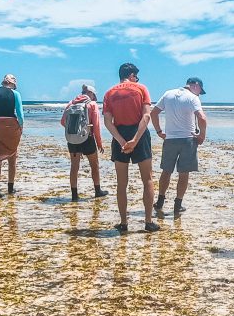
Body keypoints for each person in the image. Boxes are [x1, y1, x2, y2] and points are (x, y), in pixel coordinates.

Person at [102, 62, 160, 233]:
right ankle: (148, 222)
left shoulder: (109, 92)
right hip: (139, 133)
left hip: (120, 133)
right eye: (136, 76)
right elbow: (147, 116)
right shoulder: (141, 88)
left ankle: (123, 223)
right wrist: (135, 140)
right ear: (132, 75)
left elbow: (107, 121)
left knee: (122, 183)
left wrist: (121, 141)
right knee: (147, 179)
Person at [151, 77, 208, 217]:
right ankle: (178, 204)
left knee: (166, 171)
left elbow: (153, 113)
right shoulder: (193, 98)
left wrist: (159, 131)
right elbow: (202, 118)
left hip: (170, 139)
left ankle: (160, 201)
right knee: (184, 173)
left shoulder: (168, 94)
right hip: (188, 139)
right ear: (195, 85)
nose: (199, 93)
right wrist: (202, 136)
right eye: (200, 90)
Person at [60, 84, 108, 201]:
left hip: (72, 139)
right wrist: (99, 143)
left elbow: (62, 122)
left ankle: (74, 195)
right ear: (91, 93)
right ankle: (97, 191)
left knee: (74, 166)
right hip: (87, 138)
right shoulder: (92, 104)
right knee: (94, 165)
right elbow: (96, 126)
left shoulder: (71, 103)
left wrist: (75, 134)